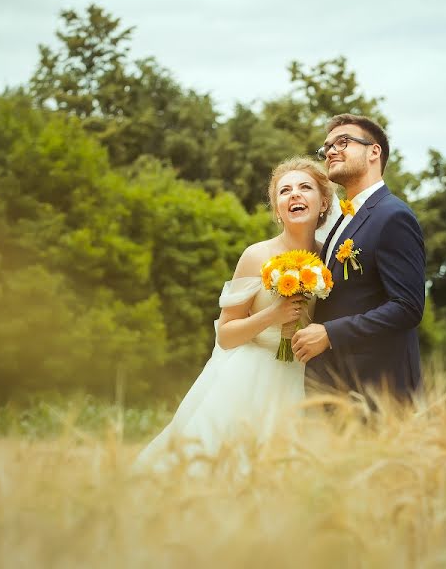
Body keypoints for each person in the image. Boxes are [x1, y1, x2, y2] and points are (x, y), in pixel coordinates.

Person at [135, 157, 333, 471]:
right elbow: (226, 336)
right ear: (277, 208)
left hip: (306, 381)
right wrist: (273, 314)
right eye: (284, 191)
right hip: (250, 379)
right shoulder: (257, 255)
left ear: (323, 202)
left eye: (305, 187)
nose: (294, 195)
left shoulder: (332, 258)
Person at [291, 114, 425, 402]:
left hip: (379, 388)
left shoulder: (393, 215)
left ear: (374, 151)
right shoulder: (344, 219)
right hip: (334, 384)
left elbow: (408, 307)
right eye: (326, 147)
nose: (330, 151)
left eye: (343, 142)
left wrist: (330, 334)